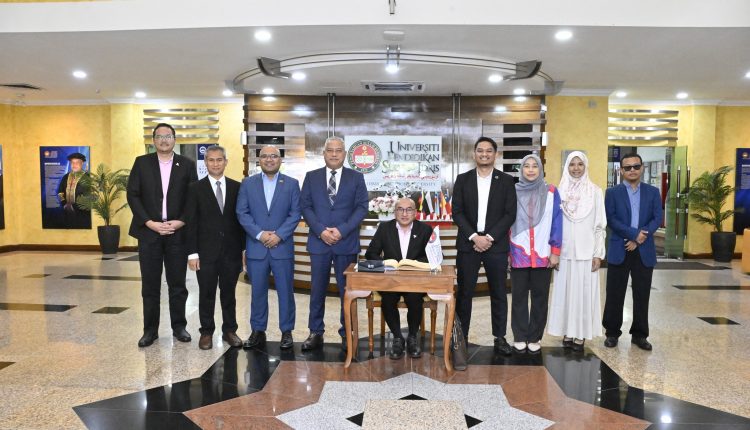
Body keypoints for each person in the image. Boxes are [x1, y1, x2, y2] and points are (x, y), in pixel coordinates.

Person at [127, 123, 197, 347]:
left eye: (168, 136)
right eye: (159, 136)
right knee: (150, 285)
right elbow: (133, 195)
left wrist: (181, 221)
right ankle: (150, 331)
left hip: (177, 233)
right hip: (149, 233)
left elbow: (193, 197)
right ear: (153, 140)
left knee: (177, 284)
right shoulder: (142, 163)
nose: (164, 140)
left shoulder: (186, 164)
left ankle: (179, 327)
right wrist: (150, 223)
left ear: (174, 139)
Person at [299, 136, 368, 351]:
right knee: (317, 290)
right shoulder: (311, 177)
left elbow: (362, 207)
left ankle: (347, 332)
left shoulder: (356, 177)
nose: (334, 154)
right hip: (319, 243)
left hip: (345, 242)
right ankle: (315, 332)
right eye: (330, 150)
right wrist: (321, 230)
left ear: (345, 154)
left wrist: (342, 230)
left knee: (346, 290)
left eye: (339, 150)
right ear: (324, 153)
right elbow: (305, 206)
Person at [452, 136, 517, 355]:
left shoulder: (506, 181)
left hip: (495, 245)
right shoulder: (463, 179)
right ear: (474, 154)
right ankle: (461, 337)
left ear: (495, 155)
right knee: (464, 293)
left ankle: (500, 337)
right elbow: (457, 212)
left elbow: (510, 214)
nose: (484, 154)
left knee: (499, 293)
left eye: (489, 151)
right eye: (480, 150)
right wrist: (474, 237)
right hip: (468, 244)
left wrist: (489, 237)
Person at [236, 145, 301, 350]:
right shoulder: (248, 183)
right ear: (259, 160)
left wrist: (279, 235)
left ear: (280, 160)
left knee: (285, 292)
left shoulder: (291, 184)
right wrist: (260, 234)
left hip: (282, 247)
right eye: (265, 156)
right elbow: (242, 213)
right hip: (257, 247)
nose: (269, 159)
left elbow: (295, 213)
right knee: (257, 292)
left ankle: (287, 331)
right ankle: (258, 330)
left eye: (274, 156)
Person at [184, 145, 245, 350]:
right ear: (205, 163)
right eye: (211, 160)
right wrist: (192, 253)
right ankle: (206, 332)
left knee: (229, 294)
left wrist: (243, 250)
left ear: (226, 162)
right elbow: (191, 223)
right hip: (205, 253)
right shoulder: (194, 189)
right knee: (206, 294)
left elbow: (241, 221)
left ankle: (230, 330)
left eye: (219, 160)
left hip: (231, 253)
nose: (216, 164)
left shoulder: (237, 187)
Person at [602, 153, 662, 351]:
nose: (632, 170)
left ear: (642, 168)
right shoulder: (612, 193)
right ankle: (612, 333)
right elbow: (611, 219)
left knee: (642, 294)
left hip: (644, 250)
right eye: (627, 167)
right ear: (621, 171)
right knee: (615, 293)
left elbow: (657, 218)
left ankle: (640, 335)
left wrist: (640, 237)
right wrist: (634, 234)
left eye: (636, 166)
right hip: (620, 248)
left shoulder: (653, 192)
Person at [547, 151, 606, 352]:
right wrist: (553, 252)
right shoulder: (558, 191)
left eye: (580, 164)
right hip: (563, 253)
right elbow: (553, 224)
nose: (576, 168)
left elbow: (600, 225)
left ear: (586, 166)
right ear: (567, 167)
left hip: (586, 252)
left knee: (583, 295)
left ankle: (580, 334)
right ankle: (567, 332)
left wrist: (598, 254)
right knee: (565, 294)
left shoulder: (595, 192)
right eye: (572, 164)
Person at [364, 197, 433, 359]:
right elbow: (371, 253)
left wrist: (414, 264)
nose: (404, 213)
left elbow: (435, 256)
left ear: (415, 213)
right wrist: (386, 264)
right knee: (388, 298)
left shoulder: (425, 229)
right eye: (400, 209)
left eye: (409, 209)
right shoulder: (384, 228)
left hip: (415, 280)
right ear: (395, 212)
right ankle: (397, 338)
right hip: (390, 280)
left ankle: (412, 338)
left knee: (414, 298)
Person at [509, 154, 562, 353]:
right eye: (526, 166)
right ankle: (520, 335)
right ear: (521, 170)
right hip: (518, 252)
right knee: (519, 297)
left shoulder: (551, 192)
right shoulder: (512, 191)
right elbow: (506, 221)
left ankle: (534, 336)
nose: (530, 170)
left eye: (534, 166)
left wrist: (555, 251)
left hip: (542, 253)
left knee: (540, 298)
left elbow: (557, 222)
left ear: (541, 169)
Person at [57, 152, 91, 229]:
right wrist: (64, 204)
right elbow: (60, 192)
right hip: (67, 213)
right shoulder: (65, 177)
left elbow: (89, 197)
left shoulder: (88, 177)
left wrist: (73, 206)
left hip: (82, 215)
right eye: (72, 162)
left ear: (82, 163)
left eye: (77, 162)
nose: (74, 165)